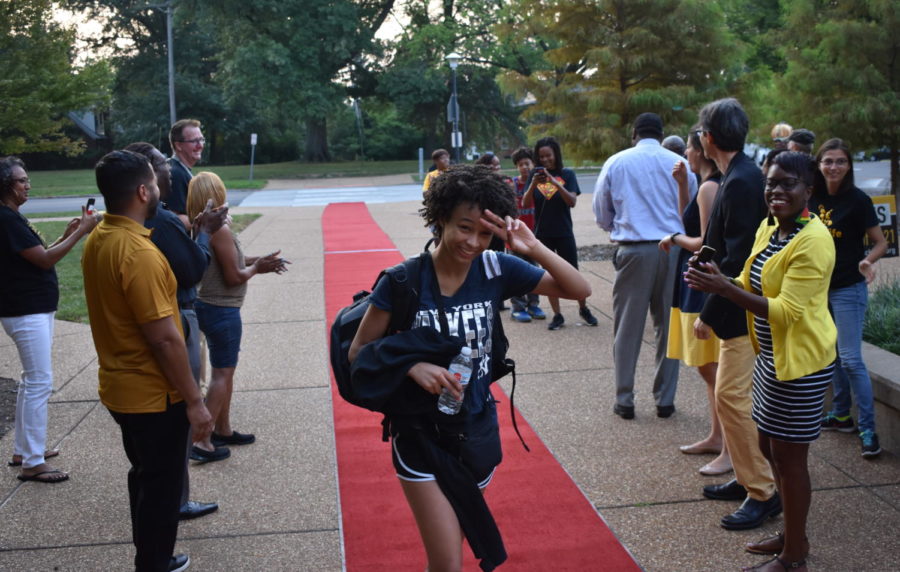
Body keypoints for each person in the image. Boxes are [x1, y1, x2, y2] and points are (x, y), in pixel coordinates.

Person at [349, 164, 591, 571]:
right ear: (440, 218)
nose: (474, 242)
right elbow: (359, 352)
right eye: (464, 227)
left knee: (450, 555)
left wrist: (532, 247)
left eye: (484, 233)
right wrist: (412, 367)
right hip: (421, 436)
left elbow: (579, 290)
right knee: (447, 563)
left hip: (475, 433)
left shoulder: (497, 268)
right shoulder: (403, 280)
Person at [686, 151, 837, 572]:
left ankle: (794, 556)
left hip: (801, 365)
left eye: (788, 183)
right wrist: (715, 278)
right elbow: (751, 280)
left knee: (790, 460)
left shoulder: (813, 240)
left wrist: (724, 289)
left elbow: (788, 311)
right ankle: (792, 534)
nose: (776, 190)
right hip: (771, 357)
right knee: (770, 446)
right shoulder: (772, 227)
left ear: (809, 190)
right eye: (772, 182)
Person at [83, 150, 213, 572]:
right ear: (143, 191)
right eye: (155, 183)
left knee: (144, 477)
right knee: (160, 486)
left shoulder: (100, 237)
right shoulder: (137, 253)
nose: (160, 188)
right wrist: (195, 401)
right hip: (153, 395)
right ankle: (154, 563)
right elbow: (165, 340)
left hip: (121, 389)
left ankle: (152, 556)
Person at [125, 142, 227, 520]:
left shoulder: (114, 229)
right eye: (161, 167)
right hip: (178, 314)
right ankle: (177, 499)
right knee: (181, 409)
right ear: (147, 181)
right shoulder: (163, 221)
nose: (169, 171)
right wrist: (204, 233)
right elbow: (192, 270)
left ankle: (166, 497)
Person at [695, 98, 780, 532]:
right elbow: (719, 244)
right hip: (733, 308)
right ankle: (750, 479)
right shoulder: (737, 175)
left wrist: (708, 310)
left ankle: (763, 492)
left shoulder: (743, 180)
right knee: (731, 398)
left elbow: (739, 257)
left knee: (732, 397)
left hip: (741, 312)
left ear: (708, 137)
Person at [0, 156, 98, 483]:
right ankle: (32, 462)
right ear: (5, 185)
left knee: (32, 382)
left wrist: (68, 234)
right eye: (21, 181)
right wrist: (82, 232)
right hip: (26, 312)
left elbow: (37, 258)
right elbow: (44, 261)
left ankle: (25, 449)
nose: (28, 185)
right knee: (40, 381)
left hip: (31, 309)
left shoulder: (12, 217)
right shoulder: (6, 219)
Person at [593, 113, 694, 419]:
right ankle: (665, 399)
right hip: (674, 248)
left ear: (633, 132)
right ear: (662, 133)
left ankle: (625, 399)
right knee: (668, 325)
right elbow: (689, 208)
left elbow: (601, 208)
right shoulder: (679, 163)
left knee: (627, 327)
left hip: (634, 249)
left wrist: (614, 227)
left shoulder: (617, 161)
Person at [187, 172, 288, 459]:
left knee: (225, 371)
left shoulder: (201, 226)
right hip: (221, 308)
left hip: (208, 304)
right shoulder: (220, 231)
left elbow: (228, 261)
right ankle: (201, 441)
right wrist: (258, 269)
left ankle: (223, 429)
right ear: (217, 195)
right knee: (222, 373)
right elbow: (234, 276)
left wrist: (259, 260)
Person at [810, 138, 888, 458]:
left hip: (847, 288)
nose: (834, 167)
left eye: (840, 161)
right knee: (832, 356)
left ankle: (868, 427)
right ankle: (842, 415)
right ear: (819, 164)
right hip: (818, 289)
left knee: (851, 358)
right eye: (828, 161)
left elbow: (880, 242)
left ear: (849, 166)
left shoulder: (857, 200)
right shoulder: (810, 198)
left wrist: (868, 261)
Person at [658, 127, 729, 473]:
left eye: (687, 148)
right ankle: (717, 436)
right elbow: (691, 218)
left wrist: (674, 238)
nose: (684, 154)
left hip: (701, 282)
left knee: (712, 367)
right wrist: (683, 187)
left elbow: (704, 242)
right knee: (705, 366)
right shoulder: (703, 186)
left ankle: (729, 445)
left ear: (700, 150)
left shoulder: (711, 186)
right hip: (694, 280)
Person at [523, 136, 598, 330]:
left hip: (564, 231)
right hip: (543, 233)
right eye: (541, 157)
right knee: (549, 275)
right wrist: (533, 183)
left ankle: (583, 308)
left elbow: (571, 201)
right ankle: (557, 314)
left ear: (556, 154)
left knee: (573, 272)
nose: (545, 159)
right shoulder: (535, 176)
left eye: (548, 155)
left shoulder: (567, 174)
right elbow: (525, 203)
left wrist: (555, 182)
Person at [508, 147, 546, 323]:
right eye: (520, 164)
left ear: (533, 164)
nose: (525, 167)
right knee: (515, 273)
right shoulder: (512, 184)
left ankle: (533, 304)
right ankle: (517, 307)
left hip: (533, 237)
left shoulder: (541, 184)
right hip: (514, 238)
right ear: (516, 166)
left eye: (527, 163)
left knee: (534, 272)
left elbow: (551, 203)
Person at [167, 118, 205, 224]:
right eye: (194, 141)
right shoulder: (175, 174)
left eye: (201, 139)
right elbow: (174, 220)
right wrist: (208, 221)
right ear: (178, 145)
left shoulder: (179, 169)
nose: (200, 145)